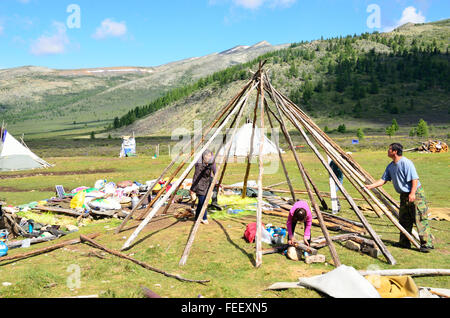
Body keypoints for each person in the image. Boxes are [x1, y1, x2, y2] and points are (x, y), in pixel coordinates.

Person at [365, 143, 434, 253]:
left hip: (415, 193)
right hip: (403, 195)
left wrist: (412, 193)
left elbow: (414, 180)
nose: (388, 151)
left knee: (419, 217)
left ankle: (427, 244)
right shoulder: (391, 166)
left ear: (395, 152)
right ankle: (404, 242)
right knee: (404, 218)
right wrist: (370, 186)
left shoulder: (406, 163)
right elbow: (383, 180)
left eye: (389, 149)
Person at [190, 150, 216, 225]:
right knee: (203, 202)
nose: (208, 157)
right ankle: (204, 218)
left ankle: (197, 217)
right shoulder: (199, 164)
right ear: (203, 156)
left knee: (201, 203)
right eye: (207, 156)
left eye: (209, 156)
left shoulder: (209, 163)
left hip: (206, 184)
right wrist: (192, 188)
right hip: (199, 185)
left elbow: (214, 170)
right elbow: (196, 176)